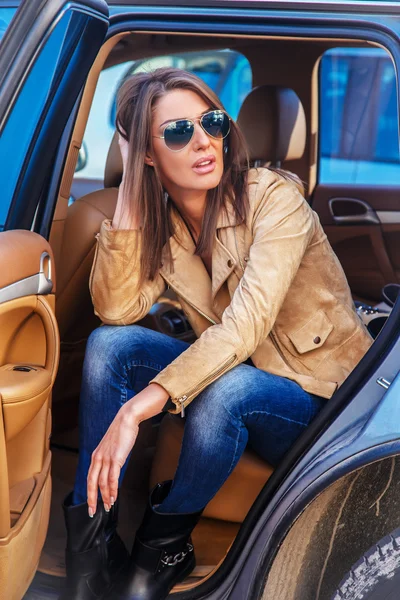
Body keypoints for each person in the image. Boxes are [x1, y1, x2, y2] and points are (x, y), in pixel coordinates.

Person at [60, 68, 373, 600]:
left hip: (322, 399)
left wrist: (137, 410)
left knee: (228, 390)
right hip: (243, 372)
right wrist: (133, 198)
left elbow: (245, 327)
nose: (203, 141)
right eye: (178, 132)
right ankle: (91, 543)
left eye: (211, 122)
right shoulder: (162, 221)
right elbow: (115, 310)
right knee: (108, 346)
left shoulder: (275, 200)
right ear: (149, 155)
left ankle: (163, 546)